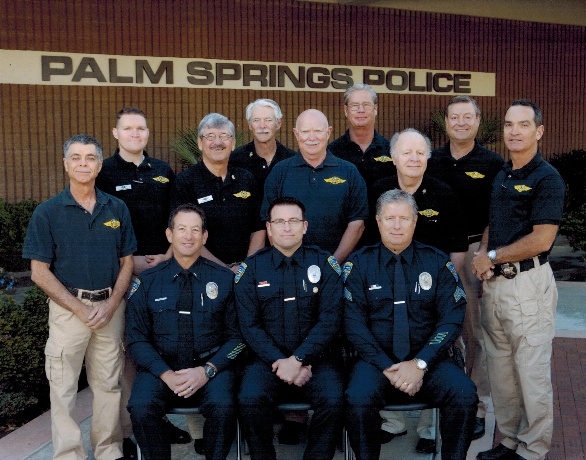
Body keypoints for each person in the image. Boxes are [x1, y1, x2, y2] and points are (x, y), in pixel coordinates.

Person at [22, 134, 136, 460]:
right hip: (67, 311)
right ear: (66, 164)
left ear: (100, 165)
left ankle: (108, 450)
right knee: (62, 389)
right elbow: (39, 272)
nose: (83, 163)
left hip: (110, 309)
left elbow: (127, 261)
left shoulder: (117, 208)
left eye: (90, 158)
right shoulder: (47, 213)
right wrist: (80, 308)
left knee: (109, 386)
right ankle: (69, 455)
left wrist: (112, 303)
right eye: (76, 157)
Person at [344, 189, 477, 460]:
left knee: (464, 394)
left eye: (403, 218)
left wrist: (419, 364)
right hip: (375, 363)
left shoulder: (437, 262)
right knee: (357, 399)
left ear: (415, 222)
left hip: (430, 361)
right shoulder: (359, 264)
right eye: (389, 218)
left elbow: (451, 319)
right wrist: (387, 366)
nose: (396, 225)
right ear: (378, 222)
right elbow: (352, 323)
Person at [472, 100, 565, 460]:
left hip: (528, 286)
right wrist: (482, 255)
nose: (514, 131)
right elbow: (493, 224)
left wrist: (492, 257)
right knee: (502, 372)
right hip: (497, 287)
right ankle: (509, 440)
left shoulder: (547, 178)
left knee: (531, 374)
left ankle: (533, 450)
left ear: (538, 131)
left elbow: (542, 239)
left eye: (523, 125)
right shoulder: (503, 174)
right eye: (509, 124)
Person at [370, 128, 469, 453]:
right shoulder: (379, 190)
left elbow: (457, 246)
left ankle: (429, 428)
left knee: (432, 351)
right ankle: (393, 421)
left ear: (428, 157)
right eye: (406, 152)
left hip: (432, 290)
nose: (413, 158)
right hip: (385, 286)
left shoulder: (444, 193)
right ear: (394, 157)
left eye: (419, 153)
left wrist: (447, 283)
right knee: (384, 341)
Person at [96, 107, 188, 459]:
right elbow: (100, 222)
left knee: (161, 342)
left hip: (164, 266)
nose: (136, 134)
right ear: (116, 133)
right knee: (128, 356)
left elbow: (178, 218)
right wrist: (129, 261)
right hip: (122, 271)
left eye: (141, 128)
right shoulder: (103, 172)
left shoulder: (163, 171)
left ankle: (156, 422)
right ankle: (125, 433)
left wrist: (167, 254)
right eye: (128, 128)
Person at [126, 203, 245, 460]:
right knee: (140, 406)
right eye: (181, 229)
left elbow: (238, 339)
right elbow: (135, 339)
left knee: (224, 406)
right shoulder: (147, 282)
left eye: (195, 230)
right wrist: (166, 374)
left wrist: (207, 370)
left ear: (204, 236)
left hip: (211, 367)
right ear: (169, 235)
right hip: (162, 367)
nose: (188, 236)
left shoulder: (225, 280)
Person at [236, 196, 344, 460]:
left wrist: (299, 359)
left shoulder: (325, 264)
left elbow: (330, 320)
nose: (287, 227)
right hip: (266, 361)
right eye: (279, 222)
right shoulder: (251, 269)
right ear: (269, 228)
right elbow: (249, 325)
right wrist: (280, 361)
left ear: (304, 226)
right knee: (249, 399)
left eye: (293, 221)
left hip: (317, 360)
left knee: (334, 399)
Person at [427, 96, 505, 441]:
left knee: (474, 329)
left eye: (467, 117)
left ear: (477, 121)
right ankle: (430, 408)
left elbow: (496, 213)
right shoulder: (431, 160)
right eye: (454, 117)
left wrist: (484, 252)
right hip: (435, 251)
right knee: (432, 325)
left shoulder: (492, 162)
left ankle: (475, 405)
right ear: (446, 122)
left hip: (474, 249)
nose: (461, 123)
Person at [262, 109, 368, 263]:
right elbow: (270, 222)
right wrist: (287, 262)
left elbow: (357, 223)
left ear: (328, 132)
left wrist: (333, 264)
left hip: (339, 267)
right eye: (305, 131)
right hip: (290, 266)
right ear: (296, 134)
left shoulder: (349, 172)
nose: (312, 138)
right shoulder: (279, 172)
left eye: (318, 131)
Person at [171, 113, 265, 270]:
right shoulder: (185, 182)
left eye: (224, 136)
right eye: (210, 136)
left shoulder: (247, 179)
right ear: (200, 143)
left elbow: (259, 228)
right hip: (202, 271)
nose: (218, 142)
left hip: (245, 271)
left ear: (233, 143)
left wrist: (245, 269)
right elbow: (185, 236)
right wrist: (224, 271)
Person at [328, 83, 395, 188]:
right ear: (346, 111)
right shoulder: (331, 152)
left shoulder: (392, 151)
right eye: (355, 106)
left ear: (375, 109)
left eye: (366, 105)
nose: (361, 110)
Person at [230, 98, 295, 194]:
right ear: (249, 125)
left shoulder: (292, 160)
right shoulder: (234, 160)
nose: (262, 126)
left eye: (268, 120)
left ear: (278, 123)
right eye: (256, 120)